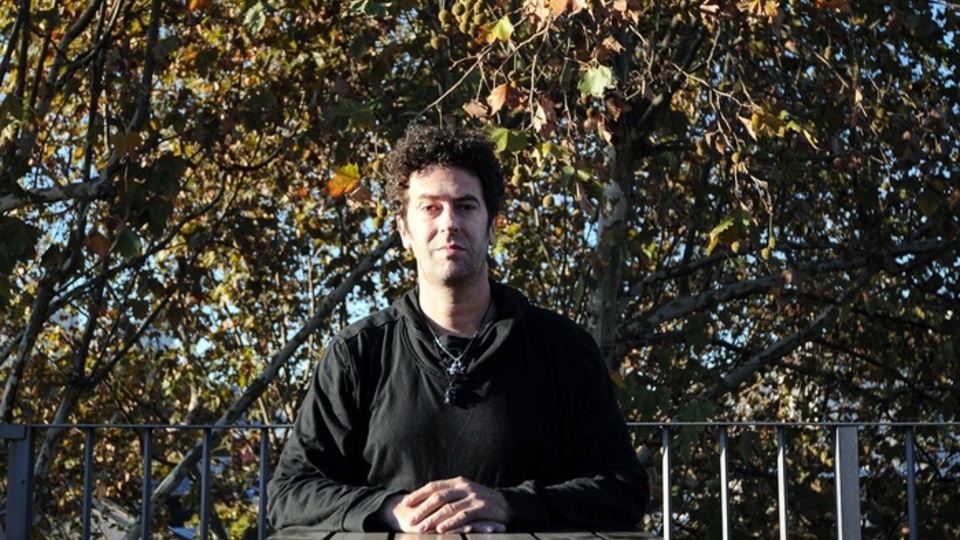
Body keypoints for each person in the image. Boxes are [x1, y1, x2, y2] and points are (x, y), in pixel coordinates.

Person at [267, 124, 649, 534]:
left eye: (465, 206)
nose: (449, 223)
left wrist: (509, 504)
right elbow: (289, 492)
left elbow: (623, 490)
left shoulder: (563, 349)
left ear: (492, 226)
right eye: (430, 208)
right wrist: (392, 510)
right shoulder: (358, 354)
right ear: (404, 232)